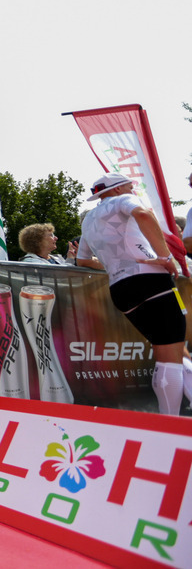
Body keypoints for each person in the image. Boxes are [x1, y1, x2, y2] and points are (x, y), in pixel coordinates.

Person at [76, 172, 190, 415]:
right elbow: (143, 214)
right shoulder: (122, 200)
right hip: (151, 281)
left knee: (169, 350)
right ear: (117, 189)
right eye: (130, 186)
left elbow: (82, 260)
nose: (133, 190)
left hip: (120, 289)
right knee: (170, 355)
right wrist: (165, 257)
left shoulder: (88, 220)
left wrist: (115, 265)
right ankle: (170, 422)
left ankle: (169, 419)